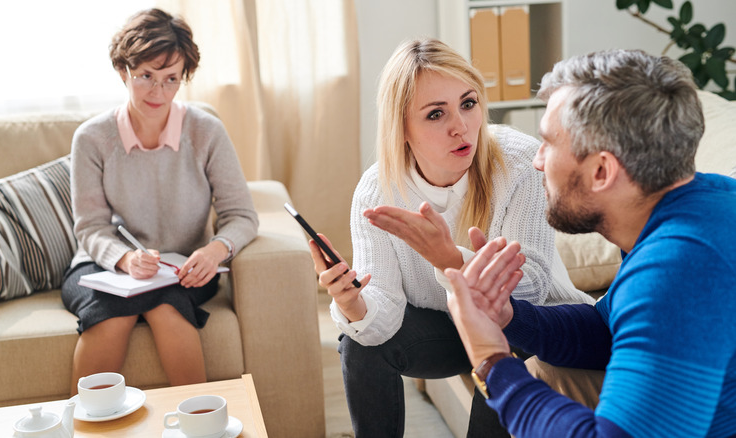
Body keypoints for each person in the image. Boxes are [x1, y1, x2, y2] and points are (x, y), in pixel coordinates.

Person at [309, 38, 593, 437]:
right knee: (357, 344)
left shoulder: (519, 163)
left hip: (525, 326)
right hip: (445, 330)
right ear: (402, 129)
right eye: (435, 114)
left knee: (506, 339)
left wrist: (451, 261)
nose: (460, 126)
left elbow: (530, 291)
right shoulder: (377, 190)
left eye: (468, 103)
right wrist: (351, 302)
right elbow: (383, 317)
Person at [444, 49, 736, 437]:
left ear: (601, 171)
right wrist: (507, 316)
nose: (538, 161)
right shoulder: (703, 202)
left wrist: (490, 360)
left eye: (548, 143)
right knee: (546, 373)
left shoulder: (677, 267)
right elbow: (608, 328)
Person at [62, 8, 258, 395]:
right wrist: (125, 259)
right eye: (146, 77)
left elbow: (242, 215)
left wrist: (214, 251)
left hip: (181, 269)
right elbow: (90, 226)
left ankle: (200, 424)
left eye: (171, 80)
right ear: (123, 71)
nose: (158, 92)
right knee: (111, 316)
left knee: (167, 308)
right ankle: (80, 427)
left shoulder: (206, 132)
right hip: (103, 266)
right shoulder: (92, 139)